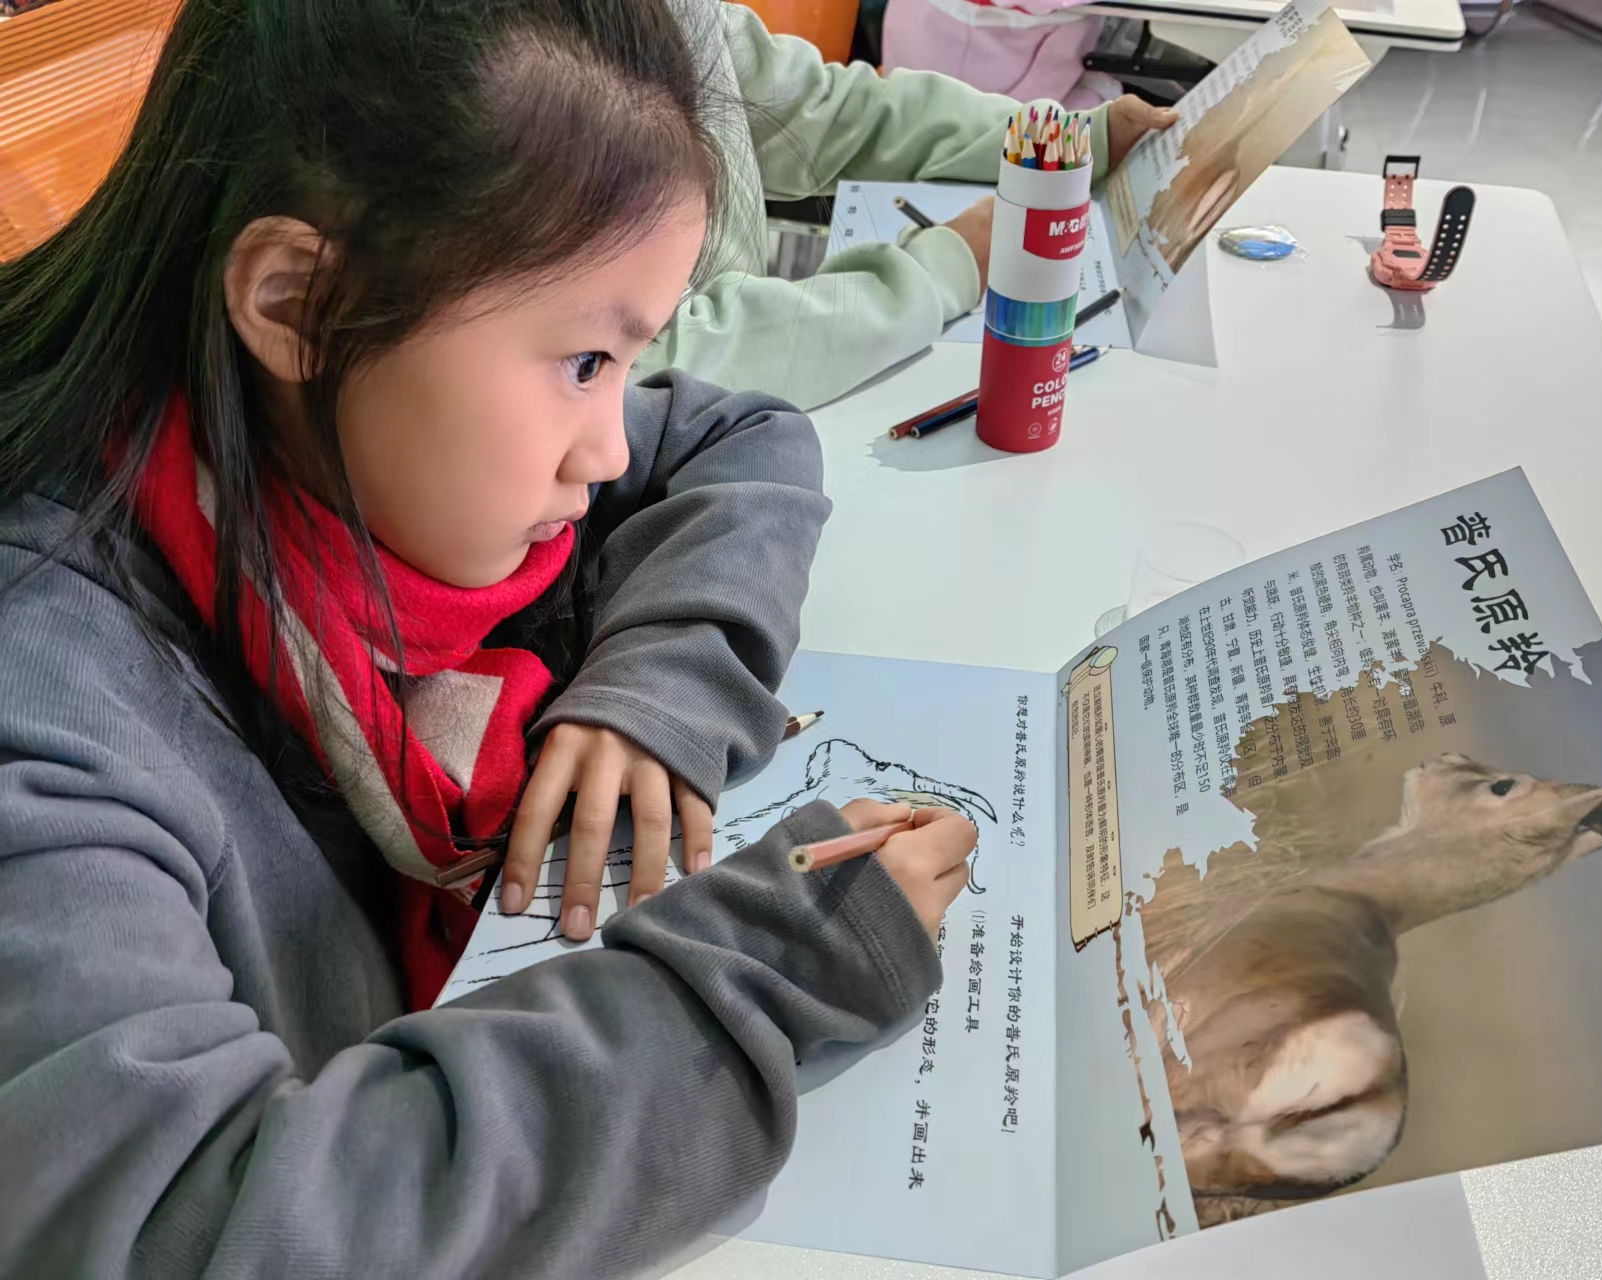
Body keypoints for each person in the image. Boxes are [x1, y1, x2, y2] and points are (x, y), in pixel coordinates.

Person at [0, 2, 973, 1276]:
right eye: (584, 362)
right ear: (301, 304)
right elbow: (202, 1227)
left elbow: (741, 436)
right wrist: (765, 969)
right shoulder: (48, 712)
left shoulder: (333, 446)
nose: (608, 447)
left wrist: (654, 691)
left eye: (624, 363)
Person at [641, 0, 1178, 410]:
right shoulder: (587, 66)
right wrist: (943, 267)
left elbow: (822, 110)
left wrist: (1050, 144)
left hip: (739, 417)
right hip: (676, 464)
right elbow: (654, 368)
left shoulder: (680, 15)